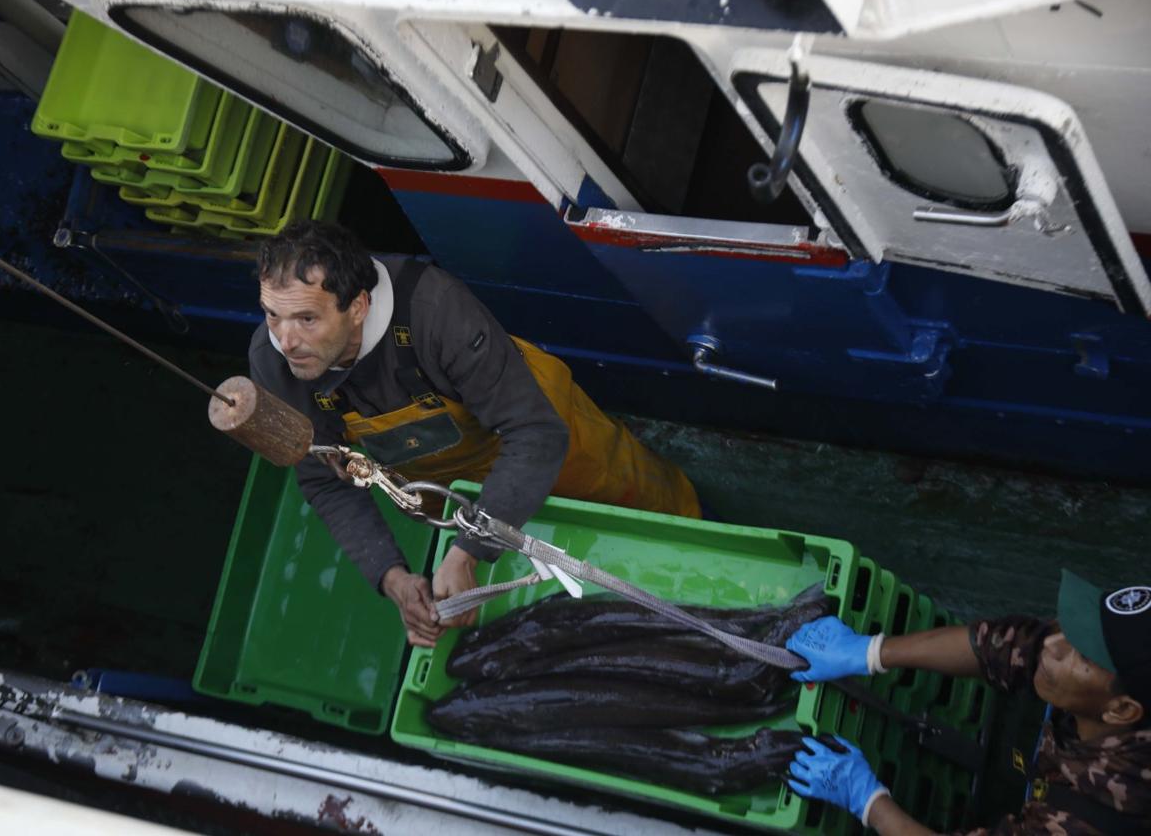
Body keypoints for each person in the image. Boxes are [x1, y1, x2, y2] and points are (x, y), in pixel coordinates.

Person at [249, 220, 700, 647]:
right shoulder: (276, 362)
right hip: (454, 489)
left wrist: (468, 551)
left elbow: (536, 433)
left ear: (359, 307)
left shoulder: (435, 311)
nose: (286, 340)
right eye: (272, 316)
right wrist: (393, 578)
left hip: (542, 435)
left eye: (307, 319)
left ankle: (703, 550)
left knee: (649, 508)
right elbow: (326, 479)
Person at [783, 570, 1150, 835]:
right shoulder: (1094, 666)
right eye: (1075, 629)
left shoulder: (1101, 817)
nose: (1053, 646)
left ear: (1121, 710)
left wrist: (867, 801)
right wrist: (872, 652)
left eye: (1081, 657)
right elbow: (1008, 646)